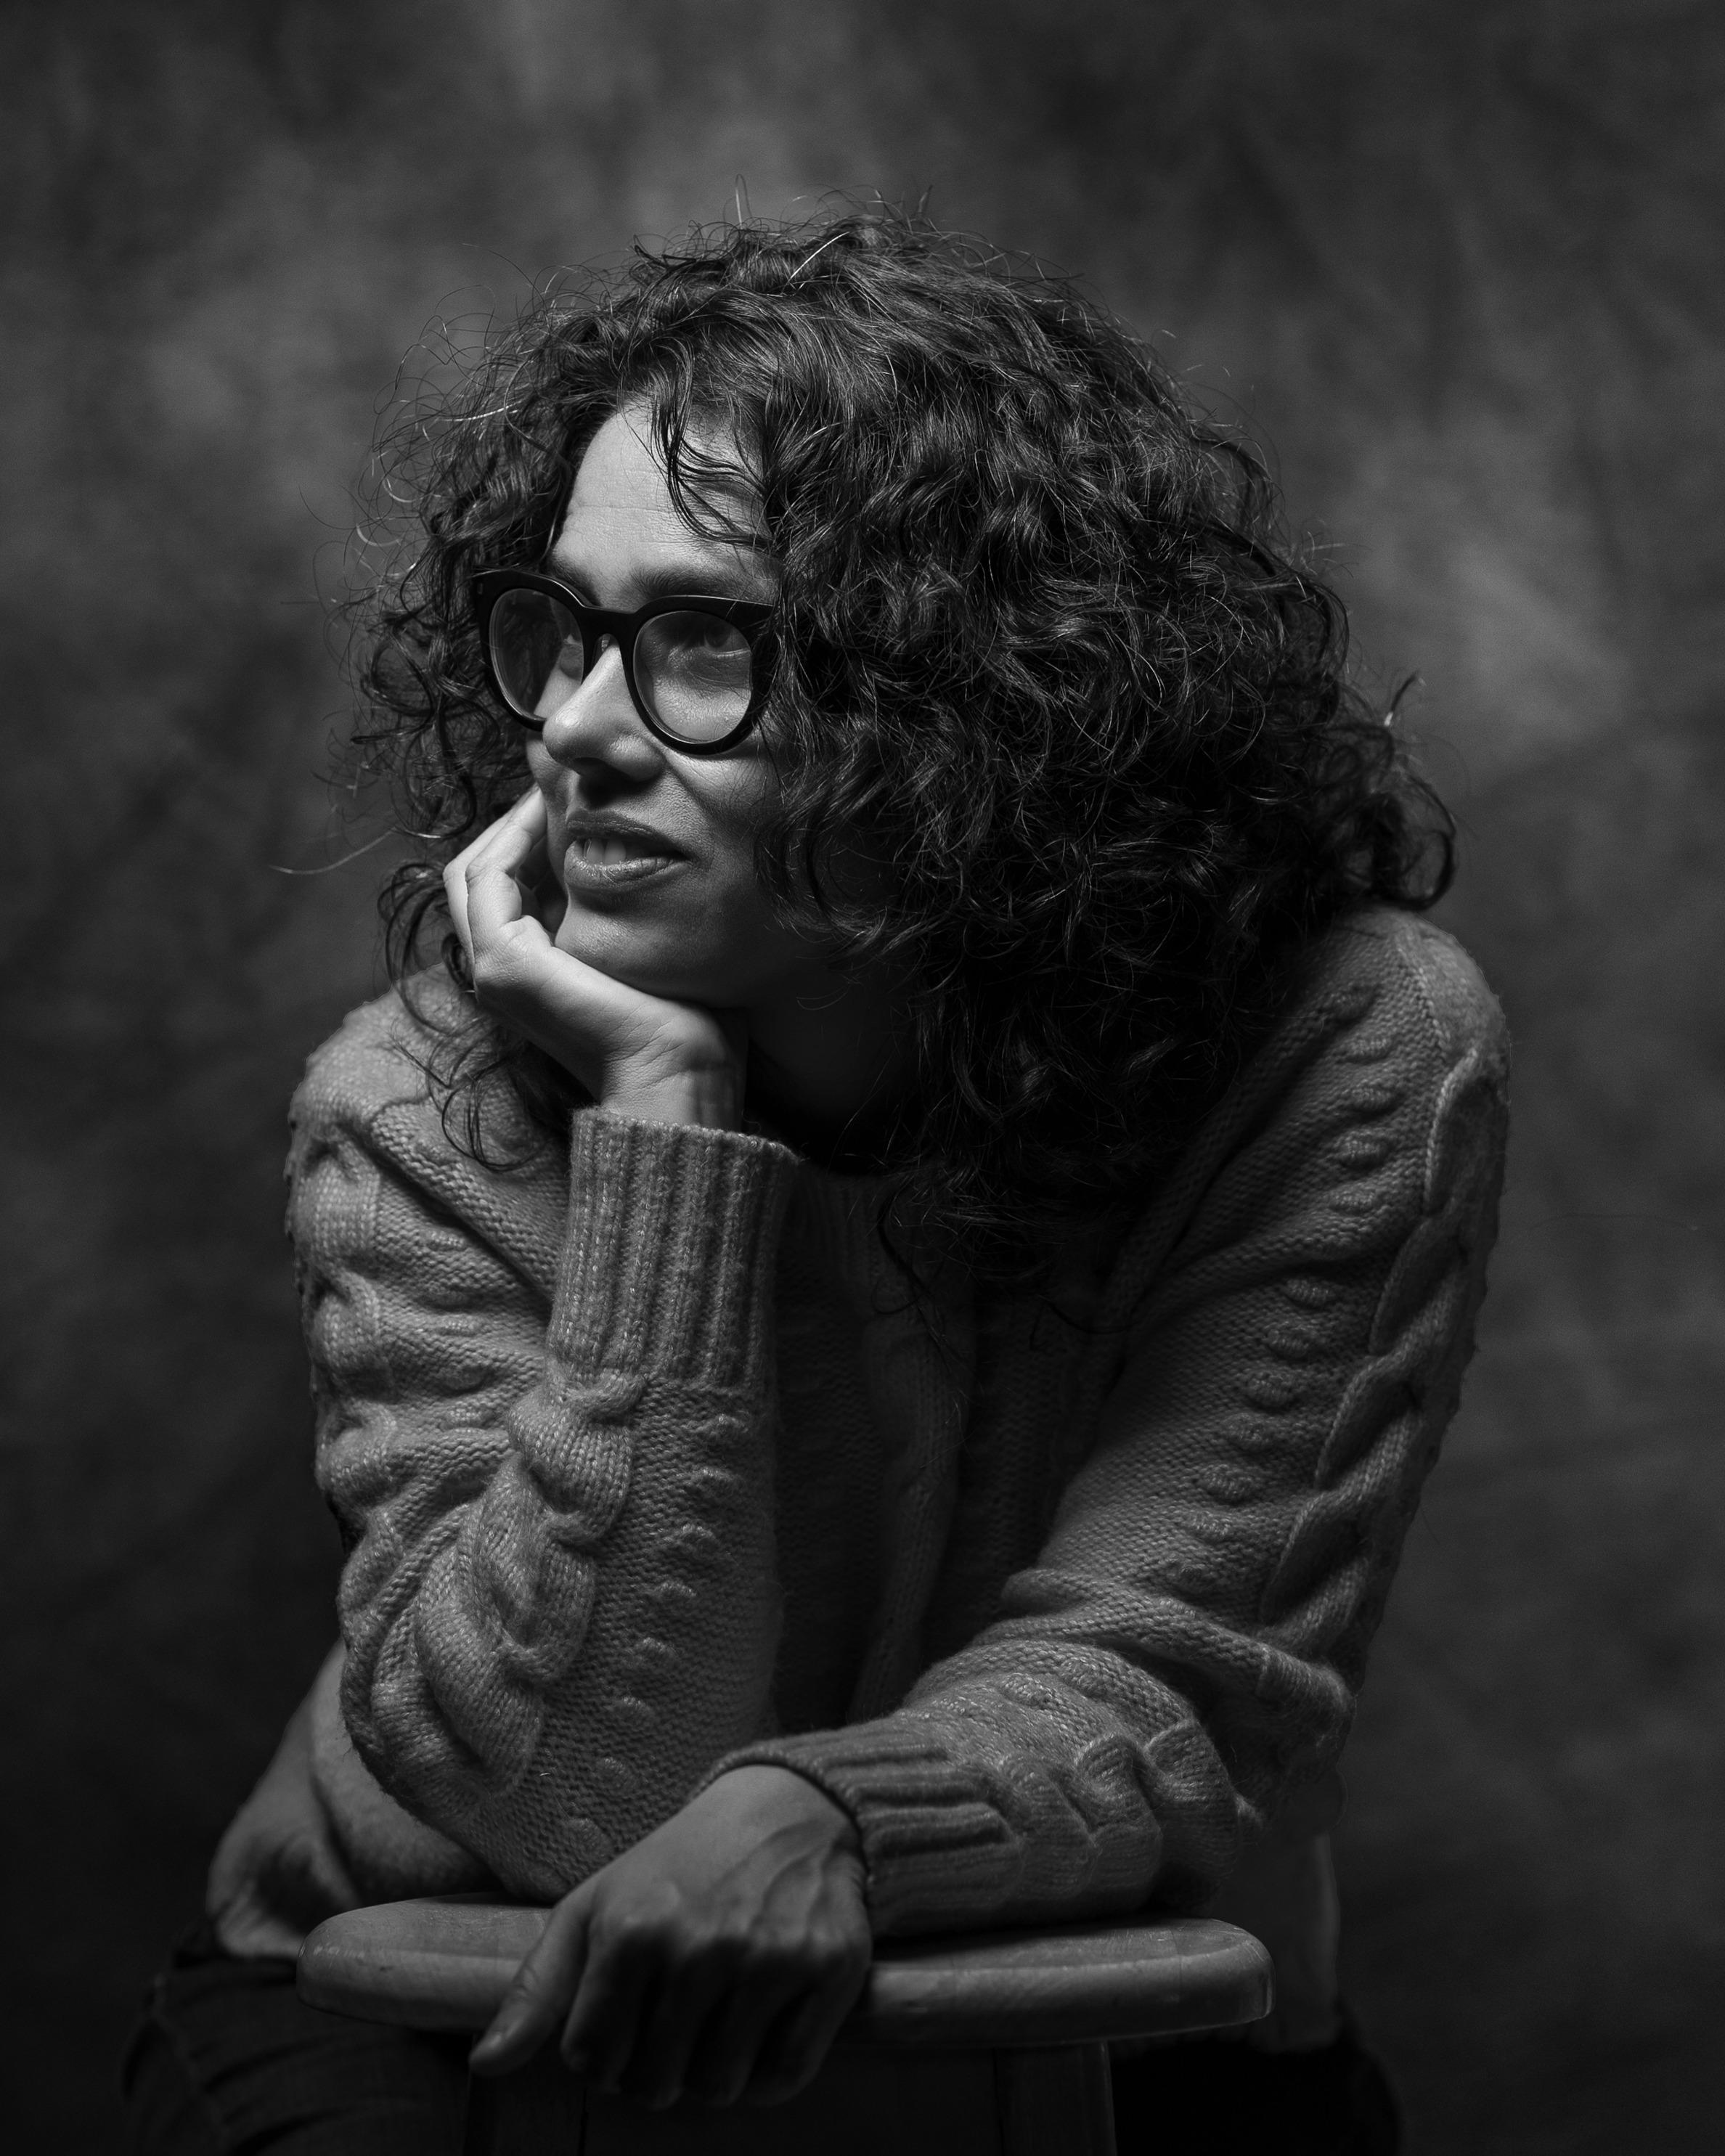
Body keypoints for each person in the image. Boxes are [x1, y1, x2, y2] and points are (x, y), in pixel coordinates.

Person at [125, 210, 1508, 2156]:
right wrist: (664, 1135)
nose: (578, 729)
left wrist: (836, 1812)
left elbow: (1182, 1669)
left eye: (701, 643)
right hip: (413, 1974)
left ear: (979, 695)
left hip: (1087, 1947)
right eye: (569, 629)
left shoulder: (1345, 1044)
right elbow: (586, 1794)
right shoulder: (414, 1102)